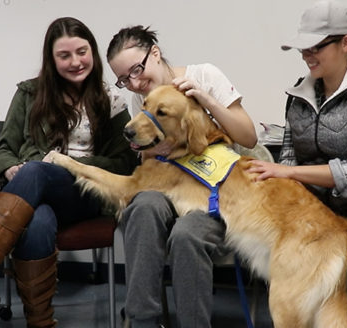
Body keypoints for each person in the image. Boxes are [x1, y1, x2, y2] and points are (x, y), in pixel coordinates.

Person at [0, 17, 137, 328]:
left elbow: (124, 164)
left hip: (85, 194)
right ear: (51, 59)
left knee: (38, 170)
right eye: (64, 55)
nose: (75, 62)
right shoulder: (29, 94)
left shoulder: (110, 100)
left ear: (93, 52)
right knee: (37, 222)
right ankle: (40, 321)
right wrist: (11, 169)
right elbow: (5, 149)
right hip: (35, 193)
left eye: (81, 51)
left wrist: (70, 164)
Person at [248, 1, 347, 327]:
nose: (307, 55)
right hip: (322, 201)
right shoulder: (299, 94)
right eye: (302, 48)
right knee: (275, 251)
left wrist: (288, 171)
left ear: (346, 43)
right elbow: (291, 156)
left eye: (315, 47)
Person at [106, 26, 257, 327]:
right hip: (172, 187)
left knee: (186, 234)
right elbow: (151, 164)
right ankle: (143, 319)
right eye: (125, 79)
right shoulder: (144, 100)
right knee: (143, 207)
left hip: (214, 192)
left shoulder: (205, 76)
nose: (135, 83)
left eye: (137, 69)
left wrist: (206, 101)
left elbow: (249, 137)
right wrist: (151, 150)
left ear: (156, 53)